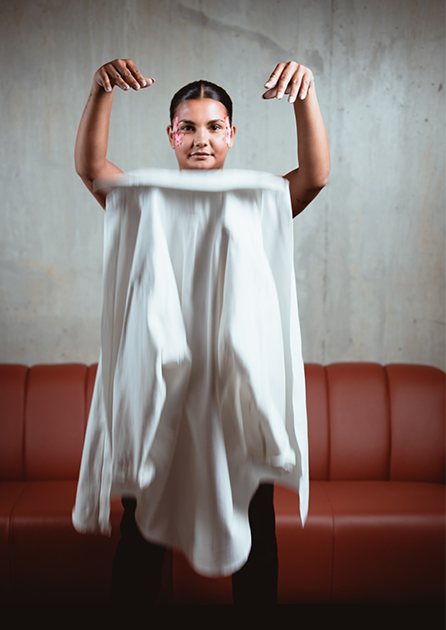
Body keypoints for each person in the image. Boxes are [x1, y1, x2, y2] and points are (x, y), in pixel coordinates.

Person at [74, 58, 330, 605]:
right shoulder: (144, 201)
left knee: (256, 522)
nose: (201, 138)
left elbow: (314, 177)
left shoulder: (259, 203)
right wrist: (101, 91)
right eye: (188, 127)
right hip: (163, 397)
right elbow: (92, 166)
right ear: (171, 135)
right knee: (141, 527)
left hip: (235, 398)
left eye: (214, 127)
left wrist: (305, 96)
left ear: (232, 135)